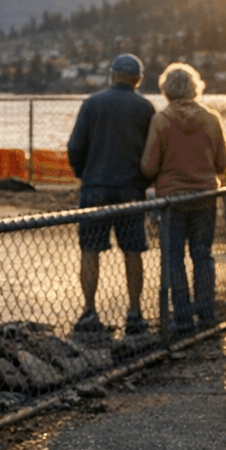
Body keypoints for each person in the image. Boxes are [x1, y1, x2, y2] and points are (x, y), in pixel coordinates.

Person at [66, 53, 156, 335]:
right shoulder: (145, 108)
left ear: (112, 75)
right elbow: (152, 152)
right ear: (138, 79)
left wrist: (86, 174)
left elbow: (74, 147)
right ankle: (134, 312)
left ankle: (89, 311)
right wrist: (143, 180)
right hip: (131, 189)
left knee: (90, 250)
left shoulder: (92, 104)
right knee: (133, 251)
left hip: (95, 188)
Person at [140, 62, 226, 333]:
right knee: (203, 256)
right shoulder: (211, 119)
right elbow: (222, 164)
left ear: (166, 89)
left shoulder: (161, 120)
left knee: (173, 258)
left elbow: (148, 166)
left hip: (172, 201)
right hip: (205, 196)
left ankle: (181, 317)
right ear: (195, 87)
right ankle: (206, 313)